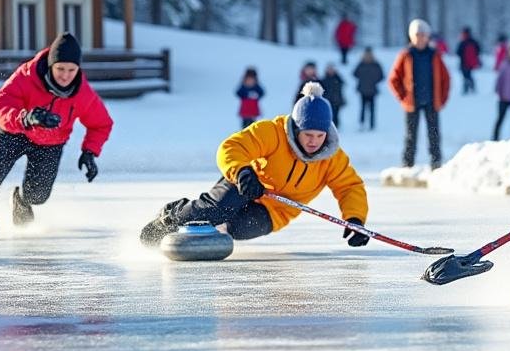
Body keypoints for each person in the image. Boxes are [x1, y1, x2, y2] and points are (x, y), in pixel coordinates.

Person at [140, 82, 369, 247]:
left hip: (276, 210)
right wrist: (242, 171)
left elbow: (349, 187)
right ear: (297, 128)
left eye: (320, 136)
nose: (314, 142)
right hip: (247, 183)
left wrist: (355, 219)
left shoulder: (332, 157)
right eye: (308, 134)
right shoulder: (273, 132)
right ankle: (172, 216)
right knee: (218, 209)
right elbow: (231, 147)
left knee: (238, 229)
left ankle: (206, 233)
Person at [0, 33, 110, 226]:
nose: (65, 75)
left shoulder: (83, 93)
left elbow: (101, 124)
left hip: (50, 143)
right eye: (60, 68)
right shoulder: (27, 76)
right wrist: (26, 118)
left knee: (38, 195)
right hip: (15, 133)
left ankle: (22, 200)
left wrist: (89, 151)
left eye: (72, 69)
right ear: (52, 65)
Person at [389, 18, 450, 169]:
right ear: (412, 36)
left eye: (423, 34)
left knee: (434, 134)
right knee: (410, 136)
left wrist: (442, 99)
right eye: (417, 34)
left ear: (428, 37)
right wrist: (403, 97)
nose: (421, 38)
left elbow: (445, 78)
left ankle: (436, 162)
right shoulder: (406, 55)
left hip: (431, 101)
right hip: (412, 102)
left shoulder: (435, 55)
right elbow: (394, 79)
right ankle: (407, 163)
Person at [353, 47, 385, 131]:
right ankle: (362, 124)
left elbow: (382, 76)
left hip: (372, 90)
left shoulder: (376, 64)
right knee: (363, 108)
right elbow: (355, 73)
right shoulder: (361, 64)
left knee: (372, 108)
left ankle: (372, 125)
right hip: (363, 90)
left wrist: (374, 81)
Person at [455, 27, 482, 94]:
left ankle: (466, 89)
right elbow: (478, 51)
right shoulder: (474, 42)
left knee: (465, 76)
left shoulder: (463, 42)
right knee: (469, 75)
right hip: (471, 63)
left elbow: (458, 52)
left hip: (464, 63)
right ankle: (472, 87)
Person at [320, 63, 347, 129]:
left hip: (337, 100)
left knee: (336, 115)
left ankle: (336, 127)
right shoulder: (324, 80)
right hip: (327, 100)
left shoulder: (338, 79)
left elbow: (341, 89)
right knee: (328, 115)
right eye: (329, 69)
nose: (331, 71)